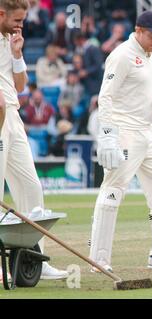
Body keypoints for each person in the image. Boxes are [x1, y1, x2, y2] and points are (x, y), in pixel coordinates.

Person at [89, 11, 152, 272]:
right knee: (112, 191)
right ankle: (98, 260)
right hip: (124, 132)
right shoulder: (122, 55)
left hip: (148, 133)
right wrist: (109, 136)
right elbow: (106, 97)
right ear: (138, 30)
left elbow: (147, 88)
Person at [0, 0, 68, 280]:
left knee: (31, 188)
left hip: (12, 116)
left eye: (23, 20)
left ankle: (33, 259)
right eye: (16, 19)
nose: (21, 25)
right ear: (0, 13)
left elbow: (20, 84)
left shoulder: (9, 39)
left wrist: (17, 54)